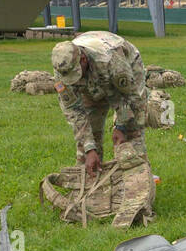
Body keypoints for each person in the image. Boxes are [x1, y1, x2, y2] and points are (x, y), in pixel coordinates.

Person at [51, 30, 154, 227]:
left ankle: (139, 197)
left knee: (131, 136)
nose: (74, 79)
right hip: (94, 84)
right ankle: (90, 198)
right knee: (86, 152)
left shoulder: (112, 60)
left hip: (126, 77)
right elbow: (74, 111)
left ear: (82, 58)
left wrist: (121, 126)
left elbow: (131, 97)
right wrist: (90, 148)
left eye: (76, 73)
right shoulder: (62, 72)